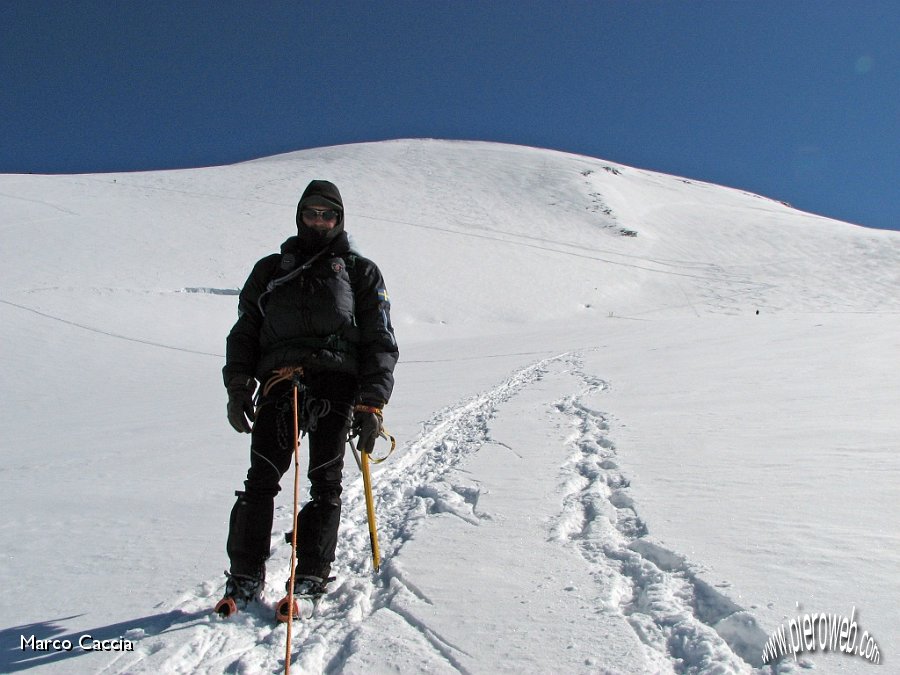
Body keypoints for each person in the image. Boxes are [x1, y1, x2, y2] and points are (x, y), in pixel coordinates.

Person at [216, 179, 398, 614]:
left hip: (337, 384)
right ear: (299, 216)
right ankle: (244, 576)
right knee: (260, 479)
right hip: (280, 381)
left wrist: (372, 402)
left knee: (325, 481)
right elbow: (245, 333)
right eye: (311, 213)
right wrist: (238, 385)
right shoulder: (270, 269)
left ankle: (312, 573)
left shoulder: (360, 271)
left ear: (339, 219)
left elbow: (379, 340)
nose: (319, 220)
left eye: (327, 214)